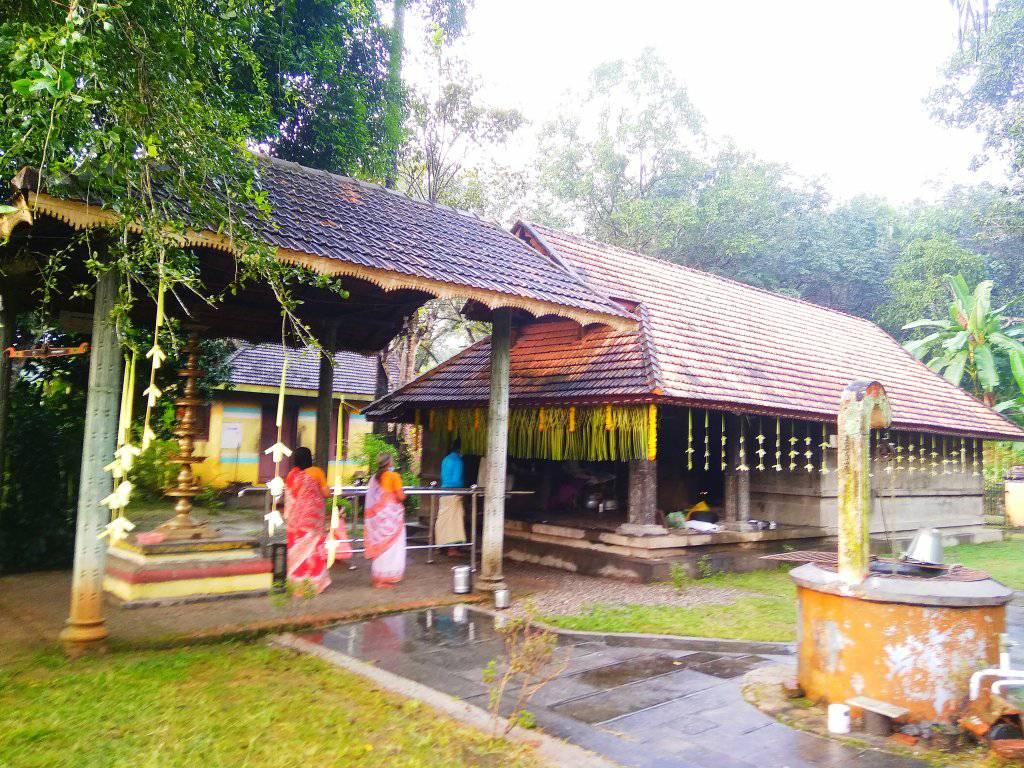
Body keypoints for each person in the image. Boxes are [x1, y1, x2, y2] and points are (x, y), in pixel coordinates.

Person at [283, 446, 331, 595]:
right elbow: (326, 493)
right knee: (313, 551)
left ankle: (296, 585)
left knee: (297, 551)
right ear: (310, 458)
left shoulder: (292, 475)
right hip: (312, 520)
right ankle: (313, 584)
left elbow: (289, 498)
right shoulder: (316, 472)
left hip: (295, 520)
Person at [363, 452, 407, 588]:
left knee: (380, 544)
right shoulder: (394, 476)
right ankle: (384, 578)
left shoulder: (374, 478)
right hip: (392, 516)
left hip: (378, 516)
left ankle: (378, 577)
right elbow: (400, 496)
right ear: (389, 463)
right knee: (392, 546)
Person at [437, 440, 467, 556]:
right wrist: (462, 491)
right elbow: (457, 480)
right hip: (453, 494)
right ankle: (452, 549)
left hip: (443, 493)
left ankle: (439, 546)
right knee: (454, 522)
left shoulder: (445, 459)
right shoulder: (458, 461)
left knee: (443, 521)